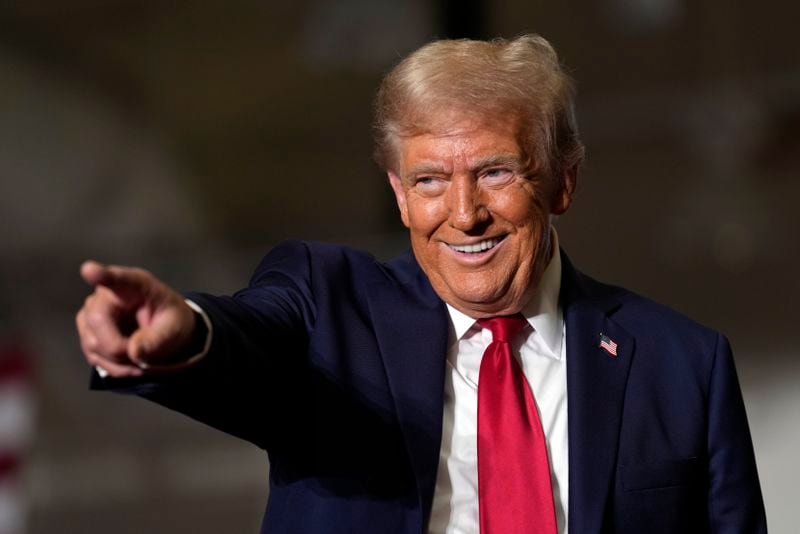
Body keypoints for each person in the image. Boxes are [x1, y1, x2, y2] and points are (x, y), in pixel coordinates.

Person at [75, 35, 766, 534]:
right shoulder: (327, 305)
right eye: (431, 181)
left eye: (496, 172)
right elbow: (248, 341)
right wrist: (185, 335)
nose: (464, 215)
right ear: (400, 197)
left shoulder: (683, 364)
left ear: (563, 181)